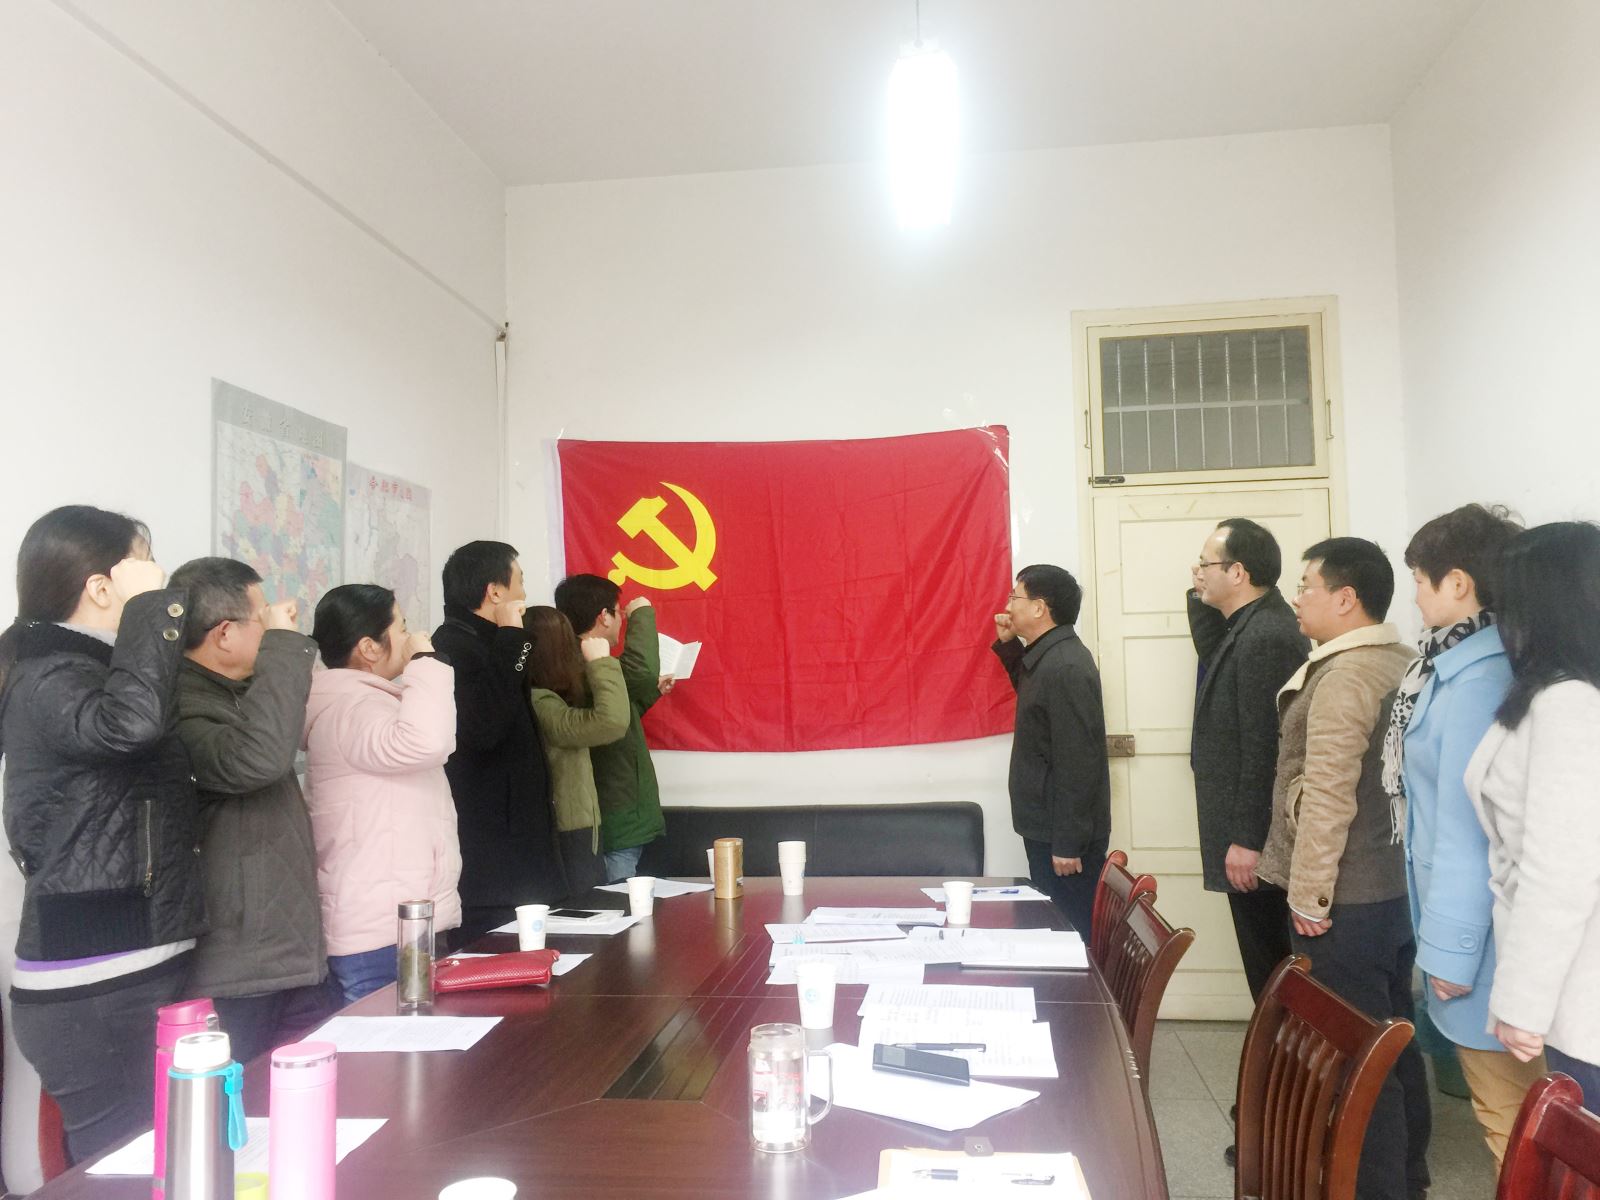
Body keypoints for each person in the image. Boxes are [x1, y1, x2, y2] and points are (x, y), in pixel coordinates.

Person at [0, 507, 204, 1162]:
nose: (159, 578)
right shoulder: (50, 673)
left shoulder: (88, 670)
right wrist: (153, 609)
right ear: (100, 586)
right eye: (144, 565)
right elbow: (129, 726)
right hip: (92, 982)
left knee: (160, 1163)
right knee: (123, 1171)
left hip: (125, 964)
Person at [1257, 537, 1429, 1200]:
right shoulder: (1400, 661)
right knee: (1393, 1041)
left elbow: (1328, 791)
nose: (1297, 598)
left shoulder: (1346, 675)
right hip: (1392, 889)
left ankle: (1376, 1186)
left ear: (1346, 598)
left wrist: (1309, 897)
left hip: (1345, 897)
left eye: (1307, 585)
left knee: (1358, 1057)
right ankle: (1407, 1175)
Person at [1382, 505, 1537, 1163]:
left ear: (1459, 584)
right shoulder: (1452, 663)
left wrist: (1449, 951)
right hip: (1488, 934)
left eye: (1420, 580)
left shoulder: (1478, 678)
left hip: (1486, 943)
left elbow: (1467, 829)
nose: (1415, 596)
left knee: (1512, 1121)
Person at [167, 557, 331, 1064]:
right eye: (261, 617)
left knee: (306, 1094)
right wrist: (284, 645)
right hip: (238, 967)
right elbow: (256, 761)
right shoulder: (181, 706)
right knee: (243, 1103)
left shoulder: (239, 695)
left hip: (285, 955)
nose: (274, 621)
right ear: (223, 634)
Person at [1467, 522, 1600, 1112]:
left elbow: (1560, 871)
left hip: (1580, 988)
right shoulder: (1564, 693)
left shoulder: (1569, 703)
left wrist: (1522, 1002)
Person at [303, 584, 461, 1003]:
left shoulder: (360, 702)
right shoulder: (354, 708)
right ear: (369, 648)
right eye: (402, 628)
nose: (410, 637)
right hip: (380, 933)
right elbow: (426, 742)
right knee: (392, 1042)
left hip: (396, 923)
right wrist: (426, 661)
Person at [1187, 518, 1308, 1002]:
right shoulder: (1248, 625)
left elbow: (1266, 747)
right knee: (1264, 966)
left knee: (1273, 966)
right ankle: (1274, 1045)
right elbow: (1213, 652)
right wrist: (1199, 592)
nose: (1198, 571)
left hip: (1260, 841)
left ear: (1237, 572)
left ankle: (1281, 1049)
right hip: (1249, 833)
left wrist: (1248, 838)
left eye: (1206, 563)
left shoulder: (1266, 636)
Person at [433, 541, 565, 943]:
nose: (524, 592)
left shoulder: (491, 641)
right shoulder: (452, 646)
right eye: (519, 581)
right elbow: (484, 727)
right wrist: (511, 636)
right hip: (491, 863)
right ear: (495, 591)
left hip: (519, 850)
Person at [991, 564, 1111, 939]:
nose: (1008, 606)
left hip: (1064, 840)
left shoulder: (1065, 666)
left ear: (1039, 607)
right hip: (1049, 828)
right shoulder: (1049, 657)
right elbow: (1035, 699)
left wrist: (1068, 844)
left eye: (1015, 596)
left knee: (1068, 933)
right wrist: (1009, 644)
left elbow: (1079, 763)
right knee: (1053, 930)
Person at [554, 575, 667, 883]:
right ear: (603, 616)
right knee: (617, 902)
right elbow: (641, 671)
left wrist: (651, 692)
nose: (621, 620)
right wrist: (642, 612)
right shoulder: (586, 665)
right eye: (618, 613)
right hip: (615, 817)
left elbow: (612, 719)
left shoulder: (572, 663)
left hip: (617, 816)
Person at [523, 605, 629, 895]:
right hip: (569, 834)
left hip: (575, 830)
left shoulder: (547, 699)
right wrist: (601, 663)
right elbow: (611, 722)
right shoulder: (541, 704)